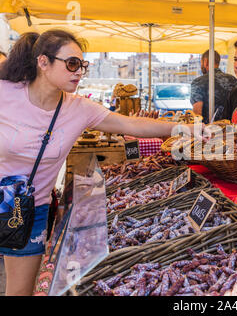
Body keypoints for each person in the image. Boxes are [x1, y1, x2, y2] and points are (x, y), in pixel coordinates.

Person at [0, 30, 207, 296]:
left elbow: (130, 124)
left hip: (30, 210)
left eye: (82, 66)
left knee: (19, 291)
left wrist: (182, 128)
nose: (78, 72)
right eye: (72, 64)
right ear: (43, 62)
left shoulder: (80, 109)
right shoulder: (5, 92)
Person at [190, 50, 237, 123]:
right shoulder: (234, 80)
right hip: (230, 129)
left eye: (201, 63)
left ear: (205, 61)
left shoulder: (198, 82)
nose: (201, 65)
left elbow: (197, 113)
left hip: (208, 131)